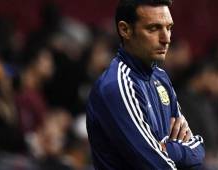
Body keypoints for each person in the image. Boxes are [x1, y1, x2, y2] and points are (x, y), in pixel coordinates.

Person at [86, 0, 205, 169]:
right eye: (153, 28)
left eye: (169, 28)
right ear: (125, 30)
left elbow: (197, 148)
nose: (166, 39)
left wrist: (171, 150)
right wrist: (182, 152)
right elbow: (158, 166)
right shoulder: (117, 86)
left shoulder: (161, 77)